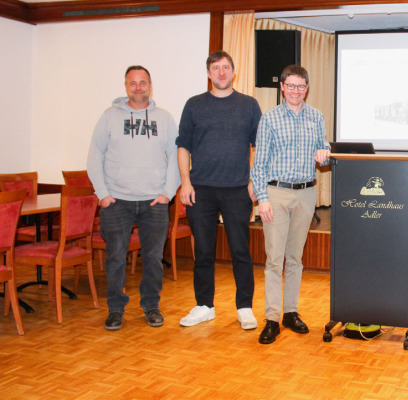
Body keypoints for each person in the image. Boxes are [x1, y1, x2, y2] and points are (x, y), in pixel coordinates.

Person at [87, 65, 180, 331]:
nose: (138, 87)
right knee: (115, 258)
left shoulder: (164, 118)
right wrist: (103, 195)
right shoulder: (109, 117)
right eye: (133, 83)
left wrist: (167, 193)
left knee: (152, 258)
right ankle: (115, 310)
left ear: (150, 85)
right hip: (117, 202)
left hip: (154, 202)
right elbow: (94, 155)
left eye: (143, 82)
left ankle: (151, 306)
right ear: (125, 86)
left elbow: (175, 156)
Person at [176, 51, 262, 329]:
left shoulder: (249, 105)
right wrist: (185, 182)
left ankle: (245, 307)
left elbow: (260, 146)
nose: (221, 72)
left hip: (238, 189)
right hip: (200, 190)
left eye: (226, 67)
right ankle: (204, 305)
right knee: (203, 251)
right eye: (216, 68)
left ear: (233, 72)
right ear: (209, 73)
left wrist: (253, 181)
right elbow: (183, 146)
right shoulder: (194, 105)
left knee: (241, 251)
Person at [250, 65, 330, 344]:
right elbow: (258, 164)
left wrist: (325, 153)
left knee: (295, 258)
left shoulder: (316, 117)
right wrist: (262, 199)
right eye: (291, 85)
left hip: (306, 194)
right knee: (275, 259)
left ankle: (290, 312)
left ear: (307, 88)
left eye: (301, 86)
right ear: (282, 87)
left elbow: (325, 153)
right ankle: (272, 317)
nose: (297, 91)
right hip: (277, 194)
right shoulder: (270, 119)